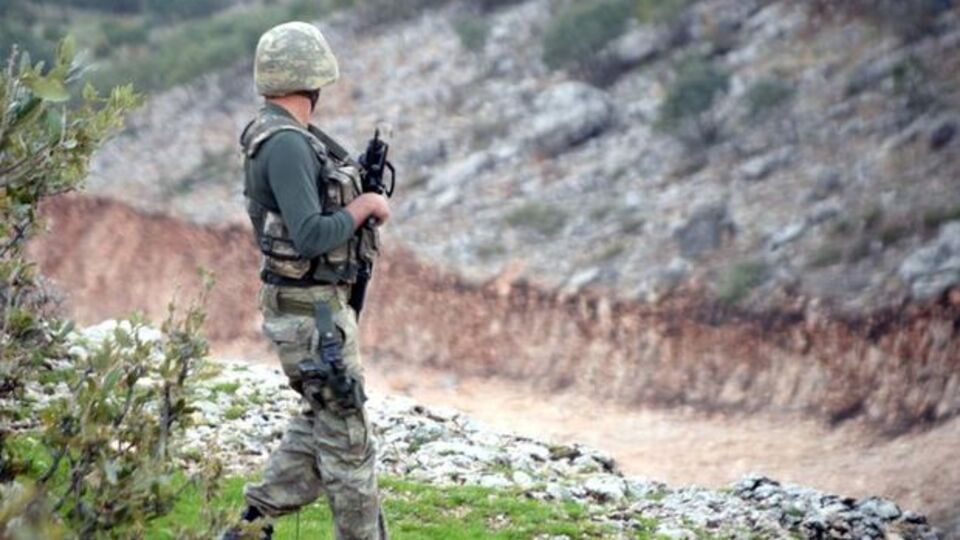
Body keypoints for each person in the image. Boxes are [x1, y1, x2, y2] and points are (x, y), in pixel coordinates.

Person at [222, 21, 391, 540]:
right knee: (348, 448)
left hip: (307, 310)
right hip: (313, 315)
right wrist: (364, 206)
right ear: (311, 80)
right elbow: (313, 234)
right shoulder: (288, 145)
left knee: (320, 422)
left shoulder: (275, 134)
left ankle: (252, 526)